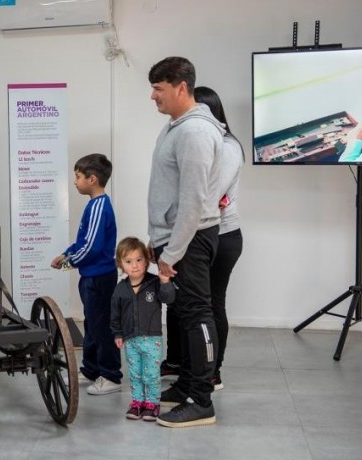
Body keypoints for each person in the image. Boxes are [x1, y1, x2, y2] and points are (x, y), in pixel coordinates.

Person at [146, 56, 223, 428]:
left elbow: (193, 201)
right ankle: (187, 386)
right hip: (175, 238)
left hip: (189, 240)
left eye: (159, 89)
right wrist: (157, 240)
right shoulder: (175, 127)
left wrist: (172, 252)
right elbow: (168, 191)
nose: (153, 96)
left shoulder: (194, 133)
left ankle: (201, 399)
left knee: (196, 315)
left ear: (181, 87)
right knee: (181, 314)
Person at [51, 153, 121, 396]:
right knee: (91, 324)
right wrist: (66, 253)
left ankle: (111, 375)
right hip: (91, 276)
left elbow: (92, 247)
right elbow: (84, 241)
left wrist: (70, 261)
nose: (75, 181)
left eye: (78, 177)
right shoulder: (93, 205)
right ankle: (91, 369)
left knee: (102, 327)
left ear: (92, 179)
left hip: (100, 277)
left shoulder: (100, 206)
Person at [195, 86, 244, 391]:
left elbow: (209, 196)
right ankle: (196, 366)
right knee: (197, 306)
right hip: (202, 234)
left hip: (222, 236)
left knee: (212, 305)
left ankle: (214, 371)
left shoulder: (227, 146)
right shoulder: (205, 143)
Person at [110, 237, 175, 422]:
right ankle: (137, 402)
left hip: (152, 339)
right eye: (129, 262)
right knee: (135, 373)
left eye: (139, 260)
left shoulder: (154, 283)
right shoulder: (120, 289)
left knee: (151, 374)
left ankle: (152, 403)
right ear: (121, 264)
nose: (135, 266)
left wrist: (165, 283)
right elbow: (115, 315)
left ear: (146, 260)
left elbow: (169, 299)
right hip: (130, 340)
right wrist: (118, 334)